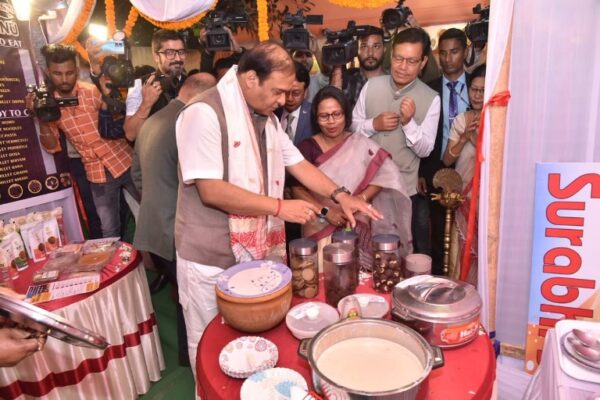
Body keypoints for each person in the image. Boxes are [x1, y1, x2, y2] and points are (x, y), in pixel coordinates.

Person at [174, 41, 381, 374]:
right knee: (211, 347)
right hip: (210, 256)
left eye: (288, 93)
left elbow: (297, 163)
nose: (284, 101)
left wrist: (341, 195)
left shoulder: (266, 118)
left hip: (252, 252)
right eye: (278, 91)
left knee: (253, 345)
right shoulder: (204, 112)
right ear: (251, 78)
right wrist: (279, 207)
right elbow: (210, 190)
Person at [131, 72, 217, 367]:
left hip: (152, 227)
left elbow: (137, 177)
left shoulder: (153, 120)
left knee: (182, 295)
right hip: (174, 230)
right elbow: (199, 186)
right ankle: (194, 360)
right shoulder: (189, 123)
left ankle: (186, 356)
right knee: (191, 304)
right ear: (202, 95)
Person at [291, 86, 412, 269]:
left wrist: (359, 199)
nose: (331, 121)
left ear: (346, 115)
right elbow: (296, 189)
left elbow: (384, 175)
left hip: (355, 223)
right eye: (324, 116)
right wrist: (326, 211)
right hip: (318, 224)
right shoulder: (306, 148)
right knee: (321, 277)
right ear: (316, 118)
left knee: (356, 276)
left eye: (337, 114)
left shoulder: (361, 143)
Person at [26, 44, 137, 238]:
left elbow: (119, 122)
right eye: (57, 74)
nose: (64, 79)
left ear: (77, 71)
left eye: (69, 73)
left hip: (125, 162)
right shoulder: (49, 104)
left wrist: (109, 98)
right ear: (48, 73)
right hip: (97, 175)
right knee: (109, 230)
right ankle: (119, 267)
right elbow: (51, 147)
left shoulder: (92, 91)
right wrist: (41, 118)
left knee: (153, 210)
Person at [352, 27, 440, 256]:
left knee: (405, 251)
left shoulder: (431, 98)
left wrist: (409, 123)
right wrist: (374, 124)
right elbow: (352, 127)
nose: (403, 67)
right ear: (391, 56)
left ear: (422, 63)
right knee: (367, 248)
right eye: (399, 58)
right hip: (366, 185)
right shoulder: (372, 86)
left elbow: (426, 150)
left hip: (405, 190)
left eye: (411, 61)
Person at [418, 28, 470, 274]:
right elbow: (420, 133)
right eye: (444, 53)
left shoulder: (479, 86)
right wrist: (420, 171)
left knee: (469, 225)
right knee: (437, 229)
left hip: (471, 165)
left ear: (465, 52)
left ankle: (467, 275)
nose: (448, 59)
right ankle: (441, 278)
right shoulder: (428, 89)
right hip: (436, 167)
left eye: (455, 52)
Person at [441, 64, 486, 285]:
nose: (477, 95)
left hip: (486, 200)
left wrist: (475, 140)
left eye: (483, 90)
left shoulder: (500, 122)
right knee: (460, 250)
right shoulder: (462, 119)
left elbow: (492, 158)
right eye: (474, 89)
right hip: (463, 197)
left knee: (483, 251)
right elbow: (447, 160)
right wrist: (463, 138)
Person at [123, 30, 188, 141]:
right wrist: (146, 103)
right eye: (170, 53)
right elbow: (130, 134)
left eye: (181, 52)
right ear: (156, 56)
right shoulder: (138, 85)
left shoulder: (191, 82)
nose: (178, 58)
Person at [330, 26, 387, 108]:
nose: (370, 53)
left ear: (384, 49)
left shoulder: (393, 81)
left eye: (376, 46)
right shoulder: (346, 82)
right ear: (356, 49)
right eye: (364, 46)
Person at [277, 61, 313, 145]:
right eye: (285, 92)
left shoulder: (313, 115)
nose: (289, 98)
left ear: (306, 92)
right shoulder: (272, 111)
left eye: (296, 93)